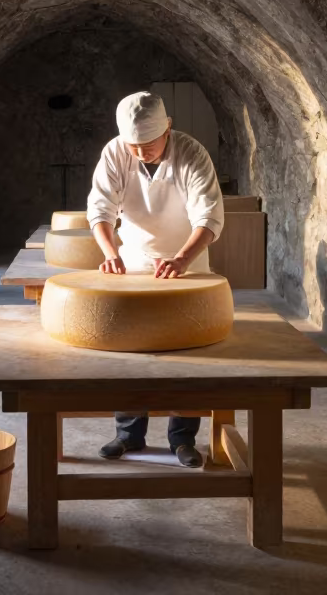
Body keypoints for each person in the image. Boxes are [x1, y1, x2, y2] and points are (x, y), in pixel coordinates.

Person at [85, 91, 225, 468]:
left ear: (168, 128)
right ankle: (128, 434)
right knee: (129, 351)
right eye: (133, 145)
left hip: (188, 266)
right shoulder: (116, 152)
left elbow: (209, 217)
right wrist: (110, 252)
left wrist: (181, 258)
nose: (140, 153)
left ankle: (183, 439)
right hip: (133, 263)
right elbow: (100, 209)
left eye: (148, 144)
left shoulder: (192, 154)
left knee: (188, 356)